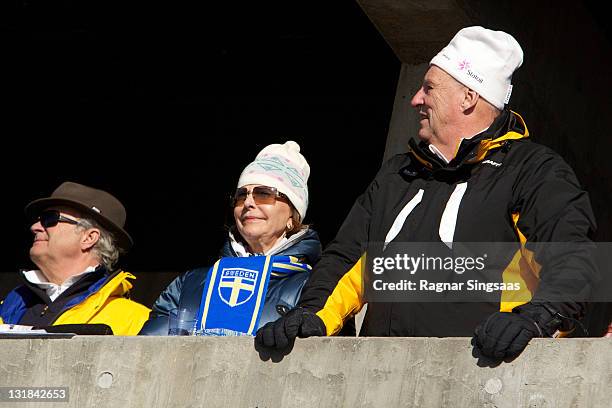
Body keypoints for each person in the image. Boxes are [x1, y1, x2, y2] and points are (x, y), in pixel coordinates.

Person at [255, 26, 597, 359]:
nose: (416, 99)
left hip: (482, 374)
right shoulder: (397, 174)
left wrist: (536, 319)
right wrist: (313, 315)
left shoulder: (533, 170)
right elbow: (347, 261)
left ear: (469, 97)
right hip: (378, 377)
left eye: (429, 88)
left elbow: (572, 258)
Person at [139, 141, 323, 336]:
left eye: (263, 194)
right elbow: (148, 347)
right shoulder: (190, 282)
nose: (249, 203)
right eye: (241, 195)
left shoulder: (312, 286)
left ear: (292, 215)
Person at [0, 182, 150, 335]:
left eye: (49, 219)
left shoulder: (136, 321)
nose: (35, 227)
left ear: (89, 237)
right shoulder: (7, 307)